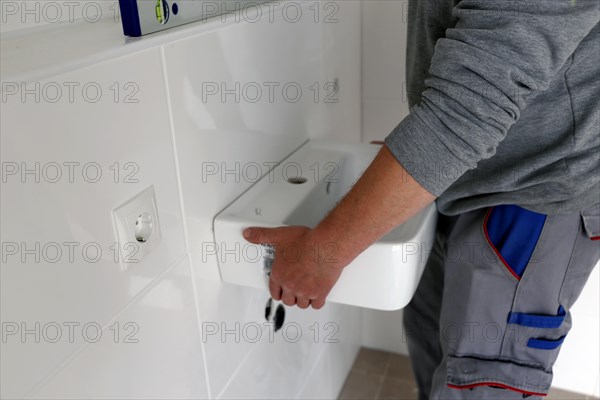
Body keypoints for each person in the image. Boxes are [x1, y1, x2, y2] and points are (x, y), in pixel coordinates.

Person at [243, 1, 600, 398]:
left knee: (476, 385)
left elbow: (468, 108)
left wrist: (323, 253)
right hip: (461, 181)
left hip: (531, 201)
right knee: (438, 360)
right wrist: (414, 165)